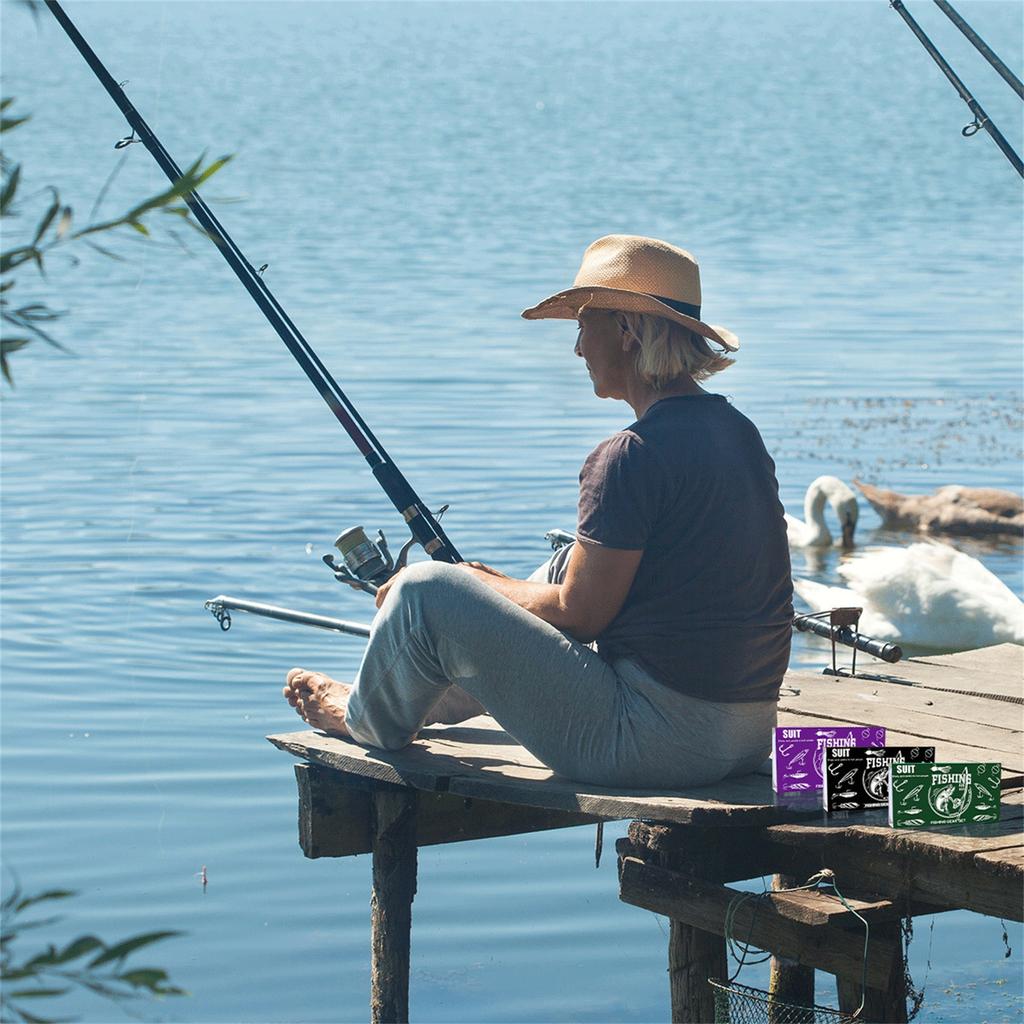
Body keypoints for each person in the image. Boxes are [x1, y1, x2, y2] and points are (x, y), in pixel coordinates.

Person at [283, 235, 793, 789]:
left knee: (422, 589)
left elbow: (580, 616)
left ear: (626, 331)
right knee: (569, 562)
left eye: (582, 325)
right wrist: (486, 585)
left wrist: (463, 583)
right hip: (749, 737)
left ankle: (365, 718)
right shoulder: (737, 432)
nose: (576, 348)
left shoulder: (627, 456)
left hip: (655, 745)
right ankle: (434, 694)